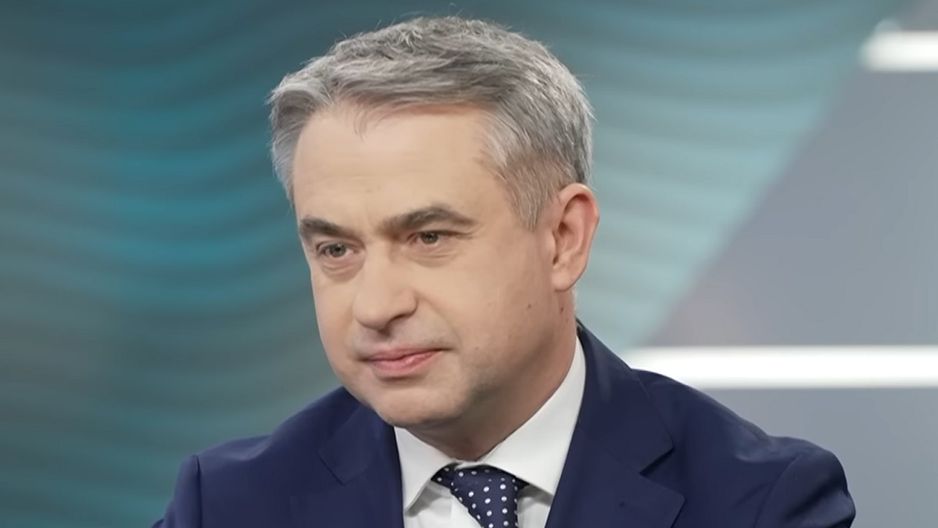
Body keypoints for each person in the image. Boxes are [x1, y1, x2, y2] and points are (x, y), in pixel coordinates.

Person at [154, 16, 854, 528]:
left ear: (563, 238)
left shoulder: (759, 503)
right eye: (337, 250)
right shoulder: (227, 506)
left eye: (428, 237)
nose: (374, 306)